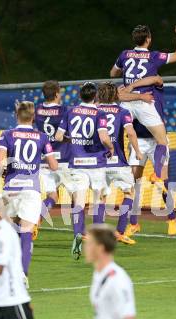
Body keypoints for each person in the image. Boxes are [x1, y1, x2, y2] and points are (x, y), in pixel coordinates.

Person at [110, 21, 176, 189]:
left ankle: (113, 164)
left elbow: (113, 73)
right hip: (144, 100)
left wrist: (126, 73)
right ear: (149, 40)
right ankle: (159, 176)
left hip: (126, 100)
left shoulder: (125, 54)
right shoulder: (153, 57)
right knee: (163, 140)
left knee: (117, 133)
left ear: (134, 39)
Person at [0, 101, 58, 285]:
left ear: (16, 115)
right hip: (31, 189)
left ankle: (9, 272)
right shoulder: (42, 137)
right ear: (33, 117)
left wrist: (3, 174)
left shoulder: (6, 135)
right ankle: (22, 275)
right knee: (26, 232)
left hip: (11, 188)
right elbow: (53, 165)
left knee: (11, 232)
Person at [55, 82, 114, 260]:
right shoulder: (100, 113)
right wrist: (111, 147)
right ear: (95, 96)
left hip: (77, 162)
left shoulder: (70, 111)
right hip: (96, 162)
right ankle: (98, 241)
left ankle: (77, 235)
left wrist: (71, 140)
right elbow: (104, 138)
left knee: (78, 202)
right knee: (98, 201)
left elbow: (58, 137)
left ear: (80, 96)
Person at [122, 76, 176, 236]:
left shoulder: (155, 89)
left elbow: (157, 79)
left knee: (162, 181)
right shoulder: (130, 95)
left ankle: (172, 218)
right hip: (138, 141)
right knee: (134, 183)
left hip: (156, 141)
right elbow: (118, 96)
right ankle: (133, 223)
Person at [97, 81, 142, 245]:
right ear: (115, 95)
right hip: (119, 162)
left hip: (99, 161)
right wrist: (137, 151)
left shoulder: (94, 111)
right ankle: (120, 231)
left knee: (101, 197)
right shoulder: (123, 112)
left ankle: (98, 234)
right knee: (129, 193)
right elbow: (130, 132)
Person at [33, 80, 71, 239]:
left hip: (45, 160)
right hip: (64, 159)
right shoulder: (64, 110)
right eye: (60, 92)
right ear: (56, 94)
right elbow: (66, 133)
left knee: (52, 197)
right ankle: (80, 232)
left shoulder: (37, 110)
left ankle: (36, 220)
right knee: (77, 195)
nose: (61, 95)